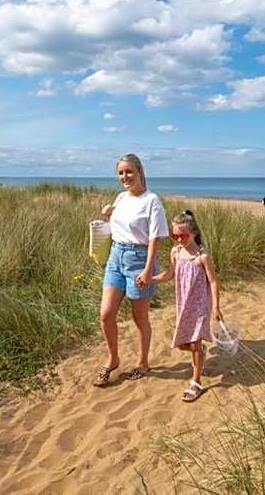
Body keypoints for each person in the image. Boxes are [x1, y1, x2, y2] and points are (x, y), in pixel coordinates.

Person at [93, 154, 169, 387]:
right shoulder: (120, 197)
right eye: (121, 173)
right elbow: (118, 226)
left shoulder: (151, 200)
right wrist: (107, 215)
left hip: (139, 259)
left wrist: (147, 271)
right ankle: (113, 358)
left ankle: (143, 362)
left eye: (129, 172)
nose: (124, 177)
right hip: (116, 257)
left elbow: (156, 238)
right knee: (106, 314)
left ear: (139, 172)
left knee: (139, 317)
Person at [151, 210, 222, 402]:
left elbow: (213, 281)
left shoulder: (203, 256)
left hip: (200, 304)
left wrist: (216, 306)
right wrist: (150, 279)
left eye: (183, 236)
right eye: (175, 236)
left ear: (194, 233)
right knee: (184, 343)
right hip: (183, 303)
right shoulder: (175, 252)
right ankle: (199, 352)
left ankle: (196, 381)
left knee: (195, 342)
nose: (179, 240)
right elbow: (168, 275)